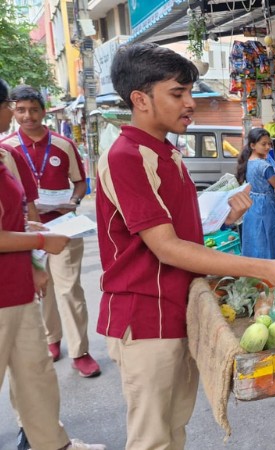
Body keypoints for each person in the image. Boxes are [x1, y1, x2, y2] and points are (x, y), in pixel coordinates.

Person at [97, 42, 275, 450]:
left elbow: (178, 233)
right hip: (145, 315)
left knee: (174, 429)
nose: (190, 103)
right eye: (177, 93)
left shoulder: (166, 152)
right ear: (140, 100)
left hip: (181, 307)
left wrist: (225, 219)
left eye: (189, 92)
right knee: (152, 438)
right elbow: (166, 248)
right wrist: (264, 268)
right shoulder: (126, 155)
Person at [0, 78, 105, 450]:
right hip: (17, 266)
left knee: (37, 373)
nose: (23, 115)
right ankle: (54, 341)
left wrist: (63, 211)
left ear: (44, 111)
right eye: (16, 108)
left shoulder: (60, 145)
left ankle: (54, 441)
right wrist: (38, 239)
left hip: (46, 246)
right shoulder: (7, 148)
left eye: (31, 109)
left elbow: (76, 185)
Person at [236, 127, 275, 261]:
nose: (268, 147)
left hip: (252, 204)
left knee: (257, 238)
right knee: (271, 237)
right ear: (253, 145)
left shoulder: (248, 162)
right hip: (267, 206)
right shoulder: (265, 166)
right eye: (263, 144)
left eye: (269, 144)